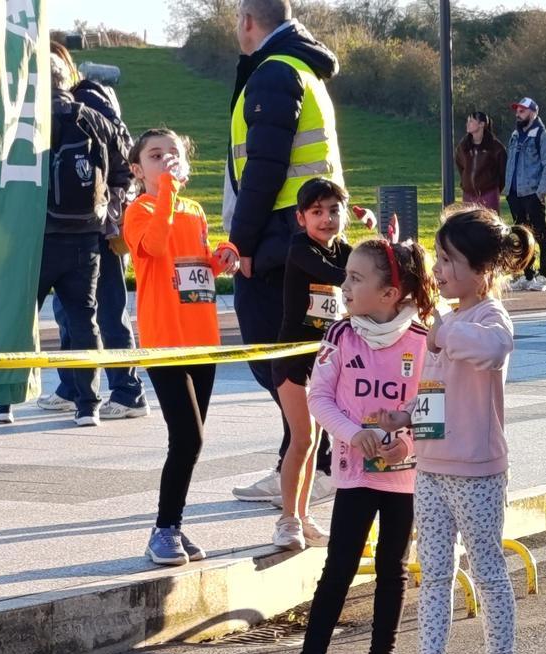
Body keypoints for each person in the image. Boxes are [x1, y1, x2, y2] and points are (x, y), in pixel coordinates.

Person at [383, 207, 535, 654]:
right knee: (436, 574)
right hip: (430, 468)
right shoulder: (443, 324)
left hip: (477, 470)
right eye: (438, 258)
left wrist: (445, 331)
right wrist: (400, 421)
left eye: (449, 259)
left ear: (483, 268)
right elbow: (434, 392)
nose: (440, 269)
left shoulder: (489, 318)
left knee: (488, 570)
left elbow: (493, 350)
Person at [277, 237, 436, 654]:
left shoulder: (425, 342)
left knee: (393, 569)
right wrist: (353, 433)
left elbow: (431, 405)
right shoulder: (340, 338)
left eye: (355, 278)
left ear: (390, 293)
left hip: (404, 478)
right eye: (345, 276)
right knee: (338, 570)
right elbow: (319, 398)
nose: (344, 286)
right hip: (354, 475)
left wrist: (405, 440)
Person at [226, 0, 343, 505]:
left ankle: (314, 463)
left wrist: (244, 243)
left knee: (275, 356)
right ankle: (300, 462)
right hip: (305, 236)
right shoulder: (303, 69)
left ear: (247, 21)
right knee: (300, 355)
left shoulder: (273, 73)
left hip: (278, 240)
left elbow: (265, 167)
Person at [0, 53, 132, 428]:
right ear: (66, 79)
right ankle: (88, 405)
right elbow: (123, 166)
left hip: (33, 239)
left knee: (19, 318)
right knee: (86, 320)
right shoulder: (93, 118)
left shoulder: (22, 121)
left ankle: (4, 401)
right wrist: (107, 208)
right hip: (85, 238)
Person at [123, 129, 240, 565]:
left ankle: (174, 524)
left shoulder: (192, 210)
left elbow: (195, 262)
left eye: (173, 153)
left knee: (193, 440)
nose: (167, 160)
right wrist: (167, 191)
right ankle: (163, 529)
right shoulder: (140, 209)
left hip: (202, 339)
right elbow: (153, 245)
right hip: (165, 341)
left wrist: (221, 253)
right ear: (138, 170)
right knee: (186, 436)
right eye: (156, 155)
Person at [40, 41, 146, 421]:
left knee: (105, 310)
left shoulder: (87, 102)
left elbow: (122, 159)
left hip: (93, 226)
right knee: (75, 313)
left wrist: (110, 212)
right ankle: (74, 388)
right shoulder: (87, 105)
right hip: (89, 223)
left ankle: (128, 389)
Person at [270, 177, 360, 551]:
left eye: (334, 211)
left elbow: (365, 266)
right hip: (293, 359)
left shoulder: (343, 249)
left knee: (316, 441)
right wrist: (360, 280)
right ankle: (286, 519)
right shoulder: (299, 247)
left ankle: (304, 517)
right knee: (302, 438)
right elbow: (334, 276)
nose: (326, 219)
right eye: (317, 212)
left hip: (326, 360)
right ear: (301, 217)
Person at [504, 97, 546, 292]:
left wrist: (540, 192)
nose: (519, 114)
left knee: (541, 234)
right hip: (514, 192)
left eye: (523, 111)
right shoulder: (515, 136)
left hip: (532, 192)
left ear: (534, 113)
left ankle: (544, 275)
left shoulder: (543, 137)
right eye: (517, 110)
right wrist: (507, 189)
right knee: (520, 234)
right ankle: (527, 274)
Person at [455, 112, 507, 212]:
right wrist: (466, 183)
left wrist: (494, 189)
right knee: (469, 225)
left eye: (471, 121)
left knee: (488, 225)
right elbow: (461, 166)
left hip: (488, 194)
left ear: (482, 124)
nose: (468, 124)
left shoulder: (495, 147)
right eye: (467, 121)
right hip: (468, 194)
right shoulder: (463, 146)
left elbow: (502, 171)